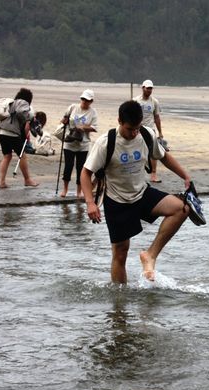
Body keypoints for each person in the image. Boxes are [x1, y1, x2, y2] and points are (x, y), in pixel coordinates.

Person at [80, 100, 191, 284]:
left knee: (182, 208)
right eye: (130, 129)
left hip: (141, 194)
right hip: (117, 201)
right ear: (120, 121)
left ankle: (150, 255)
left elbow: (163, 156)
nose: (134, 133)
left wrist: (185, 176)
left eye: (137, 128)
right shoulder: (106, 143)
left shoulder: (146, 134)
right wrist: (90, 203)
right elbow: (85, 173)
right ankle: (119, 305)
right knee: (120, 254)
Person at [0, 88, 39, 188]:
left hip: (1, 131)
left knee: (7, 156)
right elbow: (23, 118)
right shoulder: (24, 103)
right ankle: (27, 180)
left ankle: (1, 182)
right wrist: (28, 118)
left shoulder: (11, 103)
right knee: (22, 155)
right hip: (11, 132)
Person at [59, 89, 98, 198]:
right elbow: (63, 120)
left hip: (83, 144)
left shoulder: (93, 112)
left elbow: (95, 128)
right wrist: (64, 120)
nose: (85, 101)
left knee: (80, 168)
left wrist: (83, 127)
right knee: (68, 166)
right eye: (83, 99)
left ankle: (79, 191)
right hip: (69, 142)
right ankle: (65, 189)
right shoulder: (72, 107)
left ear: (91, 101)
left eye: (87, 100)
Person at [134, 79, 163, 183]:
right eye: (147, 88)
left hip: (150, 129)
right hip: (138, 130)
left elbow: (157, 118)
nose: (149, 90)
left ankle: (153, 175)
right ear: (143, 88)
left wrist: (160, 133)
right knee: (138, 152)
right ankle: (139, 174)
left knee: (153, 152)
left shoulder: (154, 101)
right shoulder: (136, 100)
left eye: (151, 88)